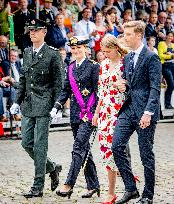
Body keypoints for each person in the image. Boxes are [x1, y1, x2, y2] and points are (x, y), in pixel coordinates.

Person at [10, 19, 63, 198]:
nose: (32, 33)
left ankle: (37, 185)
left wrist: (58, 106)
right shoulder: (27, 51)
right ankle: (53, 167)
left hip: (45, 105)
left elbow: (58, 84)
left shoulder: (53, 54)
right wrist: (17, 101)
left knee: (40, 146)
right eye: (30, 31)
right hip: (28, 105)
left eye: (36, 30)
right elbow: (24, 79)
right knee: (26, 143)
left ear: (44, 32)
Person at [112, 21, 161, 204]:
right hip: (128, 109)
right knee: (116, 146)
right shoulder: (127, 57)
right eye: (124, 34)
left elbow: (155, 88)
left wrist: (148, 113)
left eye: (129, 34)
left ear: (139, 35)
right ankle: (131, 189)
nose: (125, 37)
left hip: (145, 112)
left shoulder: (151, 57)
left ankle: (147, 195)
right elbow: (129, 84)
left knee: (145, 154)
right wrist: (122, 85)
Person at [50, 35, 100, 199]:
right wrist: (56, 107)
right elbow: (65, 90)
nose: (76, 50)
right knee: (85, 149)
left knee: (78, 148)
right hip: (75, 115)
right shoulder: (70, 67)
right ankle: (93, 185)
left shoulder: (94, 67)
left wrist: (98, 114)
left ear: (86, 48)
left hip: (90, 114)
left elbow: (98, 93)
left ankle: (68, 184)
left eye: (79, 48)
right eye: (74, 48)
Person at [92, 34, 128, 204]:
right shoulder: (104, 64)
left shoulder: (125, 64)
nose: (105, 54)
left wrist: (122, 87)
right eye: (103, 51)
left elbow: (131, 88)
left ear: (116, 48)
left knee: (115, 148)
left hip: (120, 111)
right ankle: (113, 190)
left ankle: (120, 187)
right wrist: (97, 113)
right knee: (106, 149)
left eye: (107, 51)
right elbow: (101, 92)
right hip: (105, 111)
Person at [158, 31, 174, 109]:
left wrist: (170, 55)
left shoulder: (173, 45)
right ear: (166, 36)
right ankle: (167, 104)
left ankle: (169, 103)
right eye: (169, 36)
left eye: (171, 36)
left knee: (172, 85)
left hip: (172, 65)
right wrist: (171, 56)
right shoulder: (161, 44)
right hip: (165, 66)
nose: (170, 37)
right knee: (171, 83)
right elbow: (160, 55)